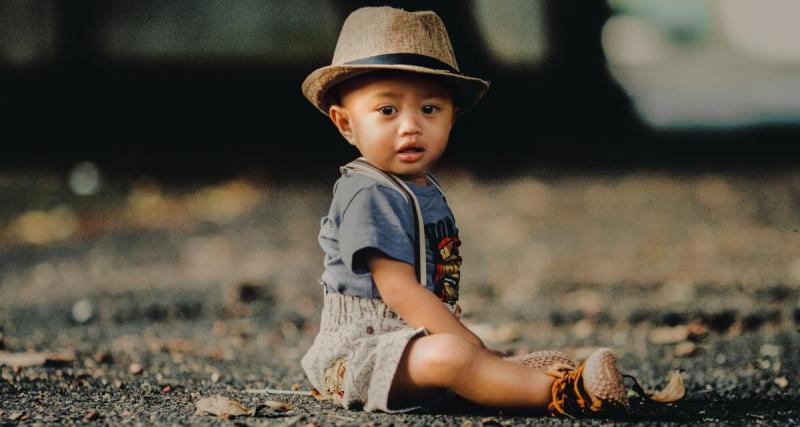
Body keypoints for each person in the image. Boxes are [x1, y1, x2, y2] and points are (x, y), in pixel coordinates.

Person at [299, 6, 628, 416]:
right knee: (453, 356)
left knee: (460, 353)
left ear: (451, 118)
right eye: (387, 110)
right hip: (359, 357)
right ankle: (565, 394)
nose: (410, 126)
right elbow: (398, 289)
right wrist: (463, 340)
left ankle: (512, 375)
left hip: (412, 340)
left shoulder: (422, 189)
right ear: (345, 124)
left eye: (430, 109)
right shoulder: (367, 192)